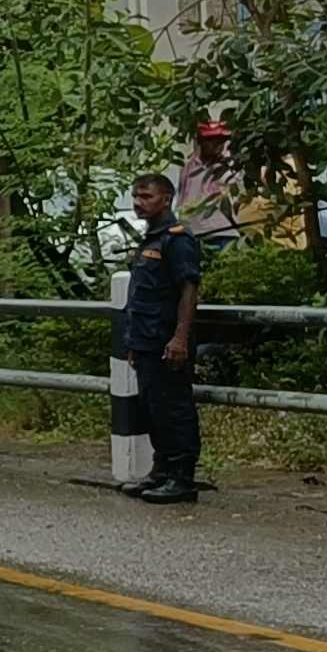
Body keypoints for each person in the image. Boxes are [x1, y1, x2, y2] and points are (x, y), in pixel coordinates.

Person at [122, 170, 208, 504]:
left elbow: (189, 290)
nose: (139, 203)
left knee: (175, 408)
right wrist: (133, 343)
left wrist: (180, 339)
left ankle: (182, 477)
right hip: (145, 339)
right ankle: (162, 470)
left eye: (147, 197)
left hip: (166, 339)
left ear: (167, 199)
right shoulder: (152, 239)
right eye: (136, 197)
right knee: (152, 407)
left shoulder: (177, 239)